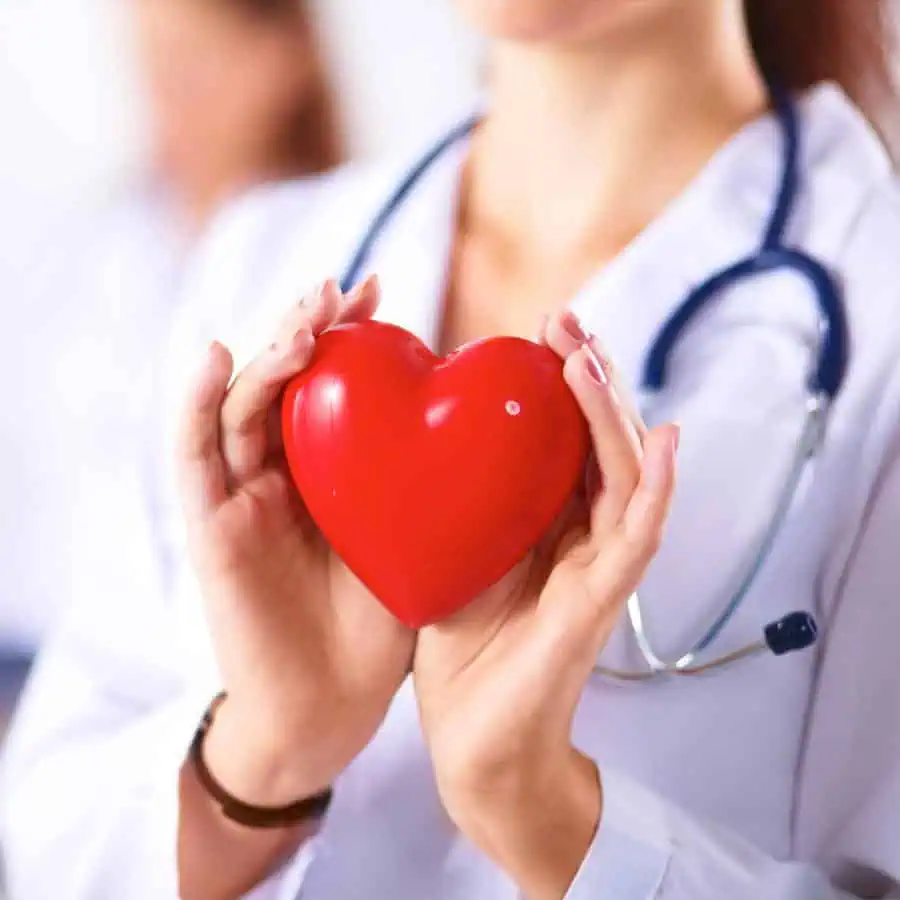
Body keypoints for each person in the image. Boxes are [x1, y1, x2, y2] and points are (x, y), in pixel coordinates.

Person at [3, 1, 900, 899]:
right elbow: (48, 838)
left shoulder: (878, 315)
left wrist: (543, 813)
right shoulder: (255, 259)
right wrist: (263, 754)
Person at [0, 0, 340, 653]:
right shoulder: (109, 238)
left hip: (188, 657)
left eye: (192, 70)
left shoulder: (333, 253)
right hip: (41, 641)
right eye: (150, 71)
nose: (165, 107)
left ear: (284, 62)